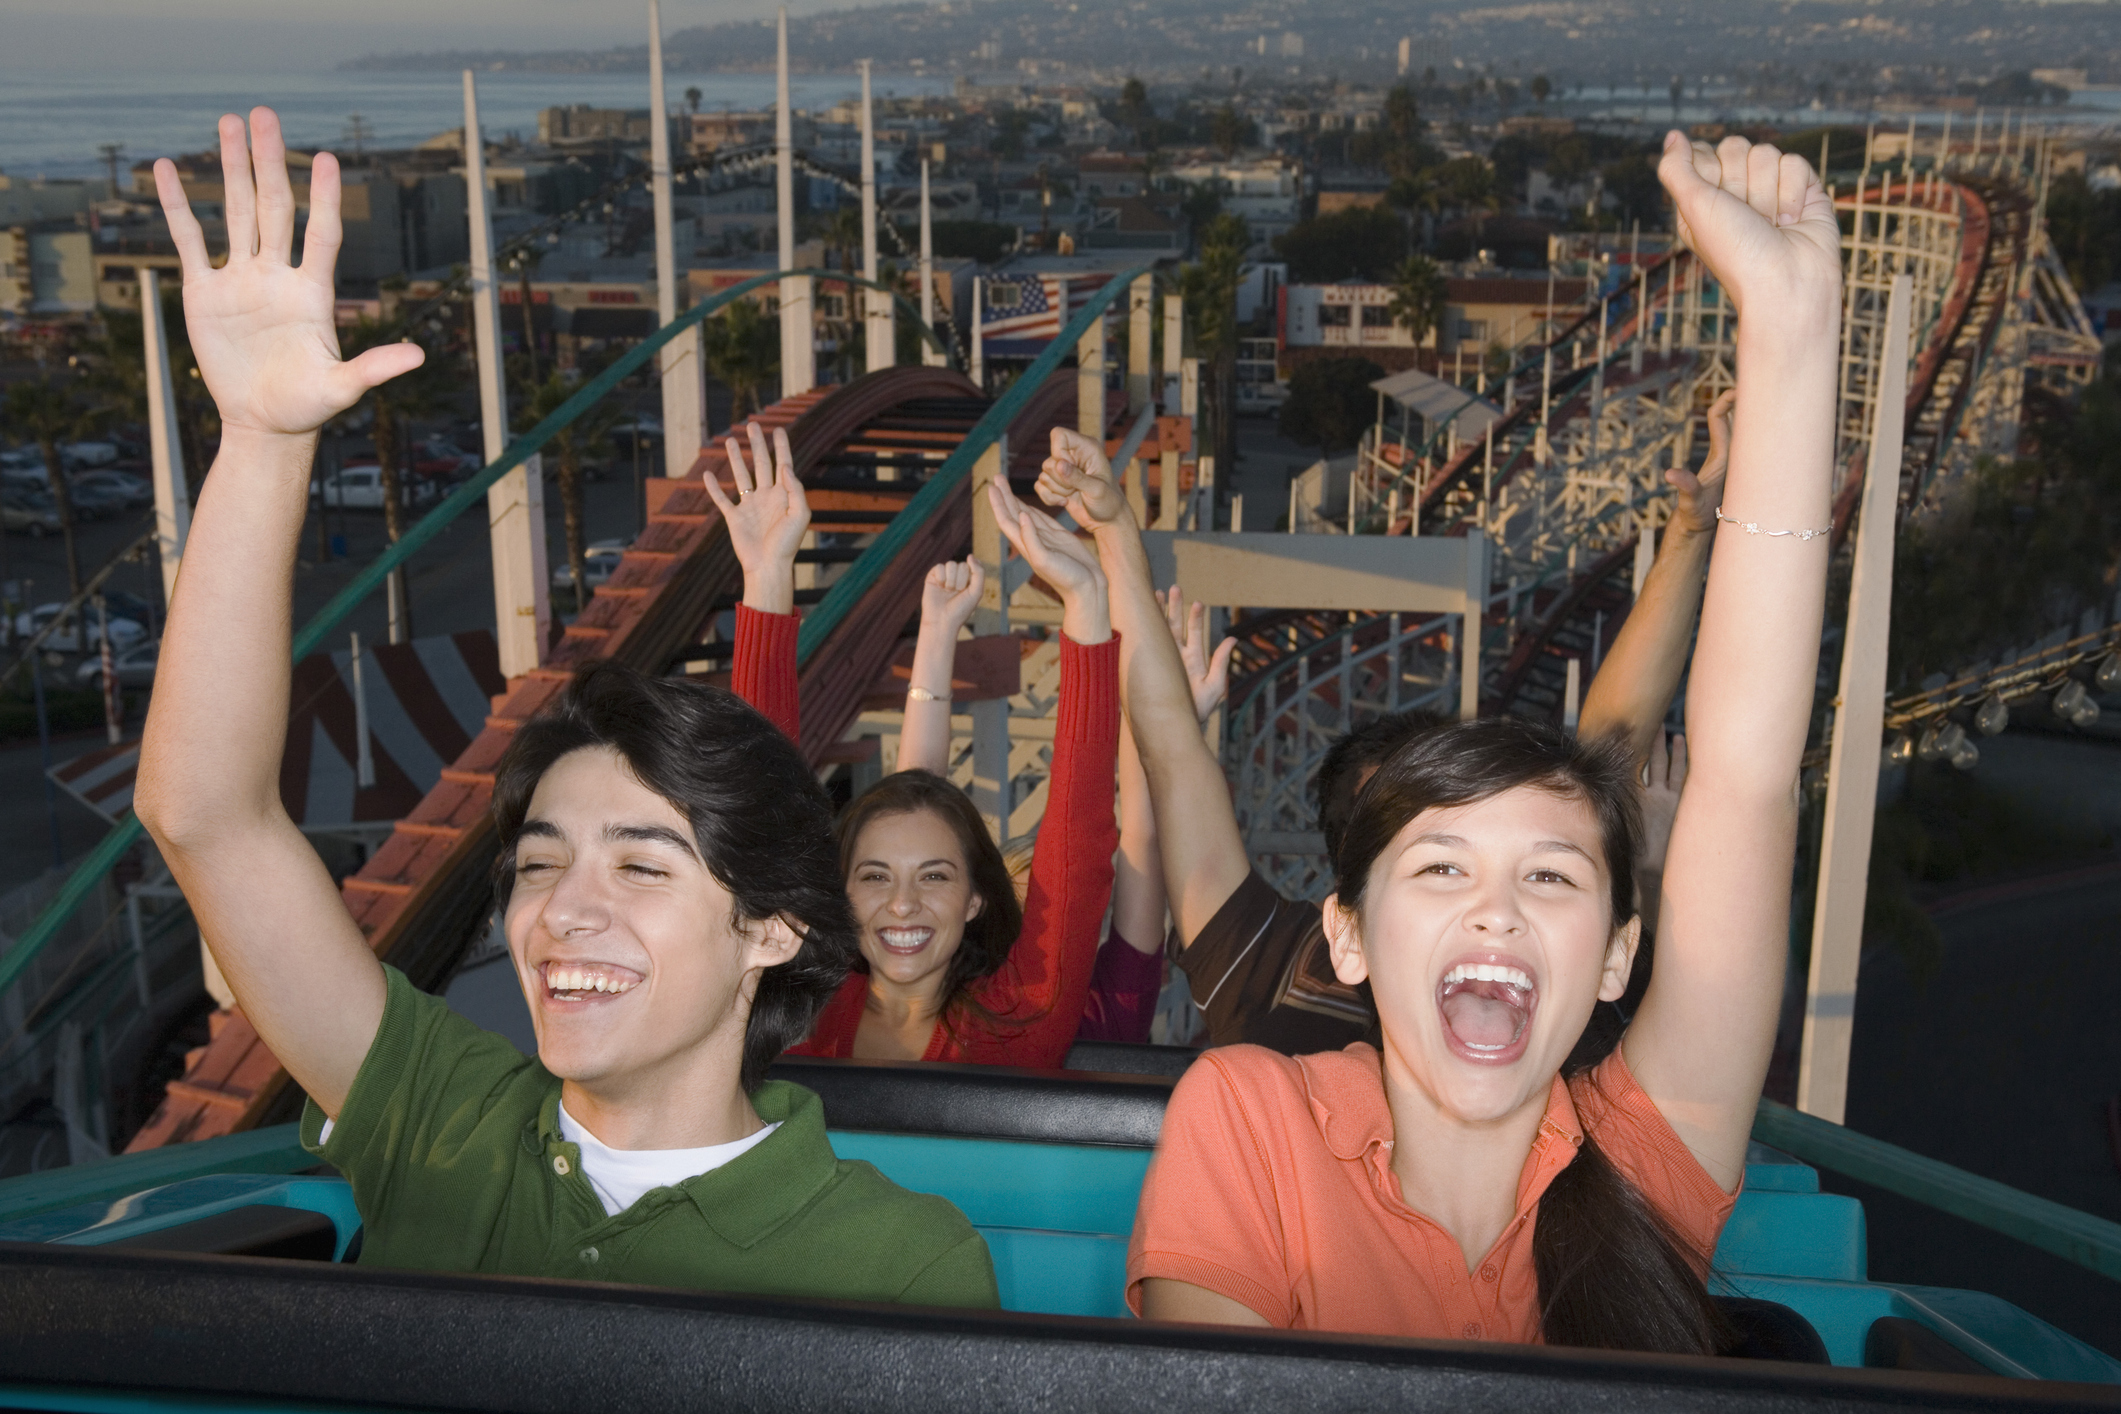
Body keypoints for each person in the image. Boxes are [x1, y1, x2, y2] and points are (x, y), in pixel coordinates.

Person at [132, 108, 996, 1307]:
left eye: (640, 866)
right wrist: (260, 444)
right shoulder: (440, 1121)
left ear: (771, 929)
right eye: (540, 864)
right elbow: (205, 817)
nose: (561, 914)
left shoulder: (900, 1262)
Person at [1119, 132, 1841, 1350]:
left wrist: (1792, 336)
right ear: (1348, 934)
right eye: (1441, 865)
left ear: (1617, 958)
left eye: (1550, 877)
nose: (1496, 910)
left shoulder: (1641, 1164)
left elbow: (1745, 781)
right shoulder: (1253, 1118)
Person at [1039, 377, 1735, 1057]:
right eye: (1436, 855)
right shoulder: (1270, 958)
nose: (1478, 886)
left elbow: (1610, 746)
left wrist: (1688, 534)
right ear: (1352, 879)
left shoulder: (1536, 967)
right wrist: (1114, 533)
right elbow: (1170, 753)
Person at [707, 430, 1120, 1065]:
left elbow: (1079, 844)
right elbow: (762, 820)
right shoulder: (797, 1010)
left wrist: (1088, 603)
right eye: (874, 876)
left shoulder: (1016, 1025)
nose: (903, 904)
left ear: (974, 899)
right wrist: (766, 576)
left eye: (935, 876)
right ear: (839, 896)